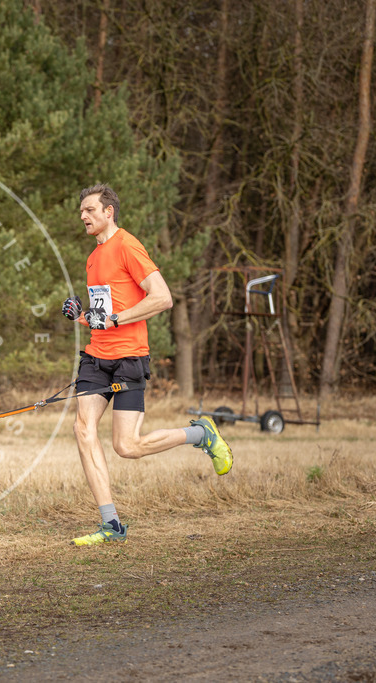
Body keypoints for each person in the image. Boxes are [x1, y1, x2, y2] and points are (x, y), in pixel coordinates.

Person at [60, 184, 232, 546]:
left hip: (128, 359)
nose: (83, 216)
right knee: (82, 429)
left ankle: (201, 434)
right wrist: (81, 315)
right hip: (96, 356)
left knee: (127, 446)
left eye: (89, 210)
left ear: (108, 212)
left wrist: (117, 320)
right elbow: (102, 316)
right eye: (81, 212)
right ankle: (112, 526)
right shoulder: (93, 257)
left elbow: (163, 298)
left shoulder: (127, 245)